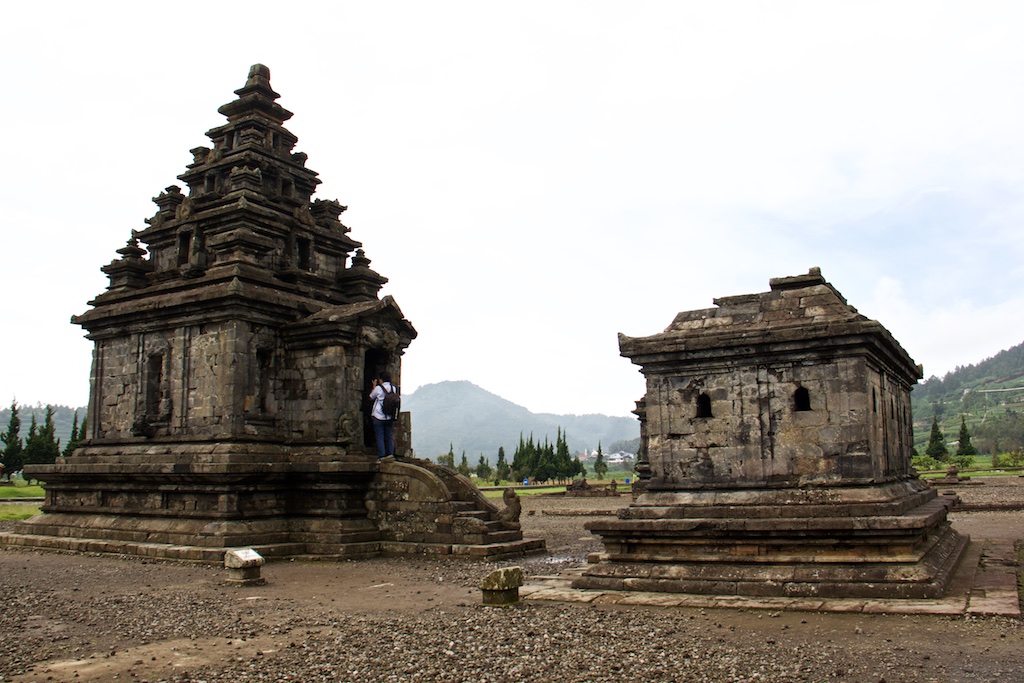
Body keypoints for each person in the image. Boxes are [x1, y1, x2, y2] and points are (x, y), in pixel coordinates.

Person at [368, 371, 395, 459]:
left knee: (380, 436)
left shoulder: (378, 388)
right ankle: (390, 454)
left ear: (381, 379)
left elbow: (371, 397)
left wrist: (374, 386)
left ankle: (382, 456)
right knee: (389, 436)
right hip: (389, 416)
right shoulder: (393, 388)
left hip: (378, 415)